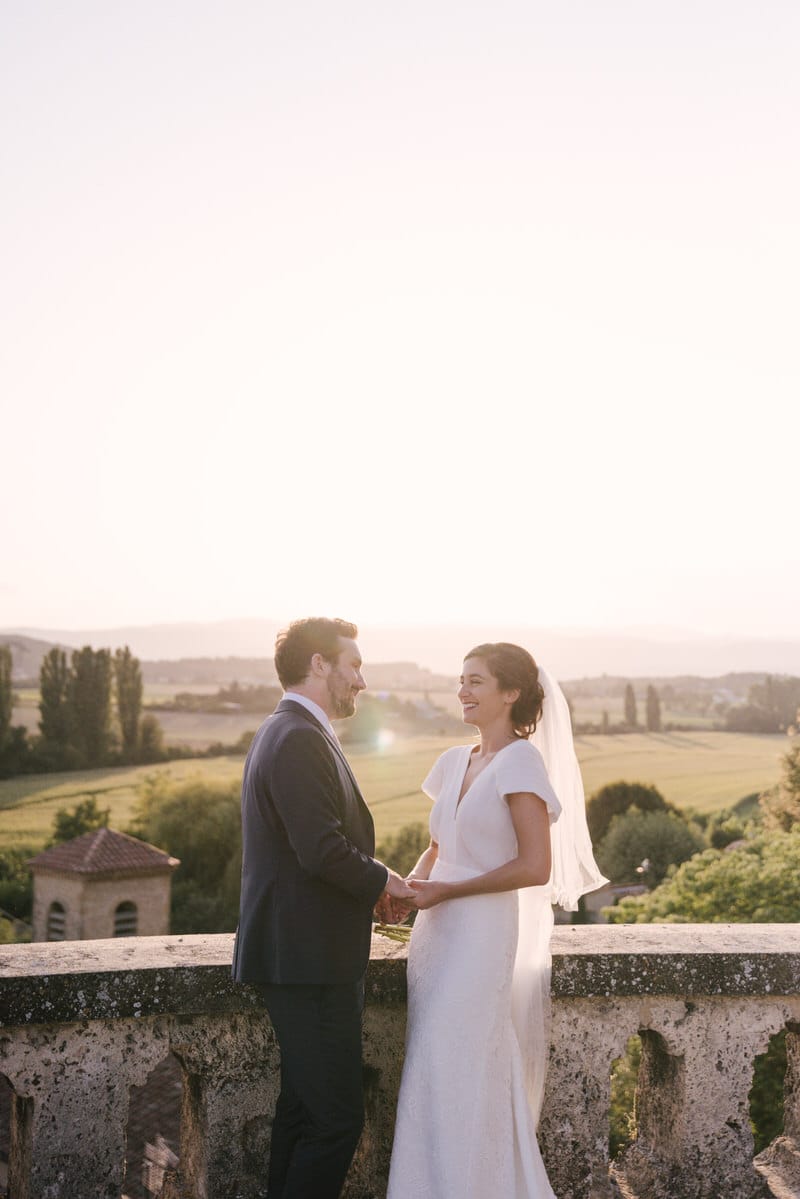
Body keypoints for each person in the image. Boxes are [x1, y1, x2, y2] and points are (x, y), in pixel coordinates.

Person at [386, 642, 607, 1199]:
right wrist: (407, 889)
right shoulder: (454, 760)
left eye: (476, 681)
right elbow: (439, 845)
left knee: (460, 1058)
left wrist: (448, 890)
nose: (463, 690)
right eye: (461, 679)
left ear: (511, 693)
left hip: (482, 934)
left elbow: (535, 866)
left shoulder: (521, 762)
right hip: (435, 935)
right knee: (432, 1065)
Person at [232, 617, 414, 1199]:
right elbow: (321, 849)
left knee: (303, 1114)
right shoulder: (297, 737)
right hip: (306, 965)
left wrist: (372, 888)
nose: (361, 680)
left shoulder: (288, 730)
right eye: (353, 665)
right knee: (336, 1121)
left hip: (306, 958)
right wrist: (387, 881)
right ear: (319, 664)